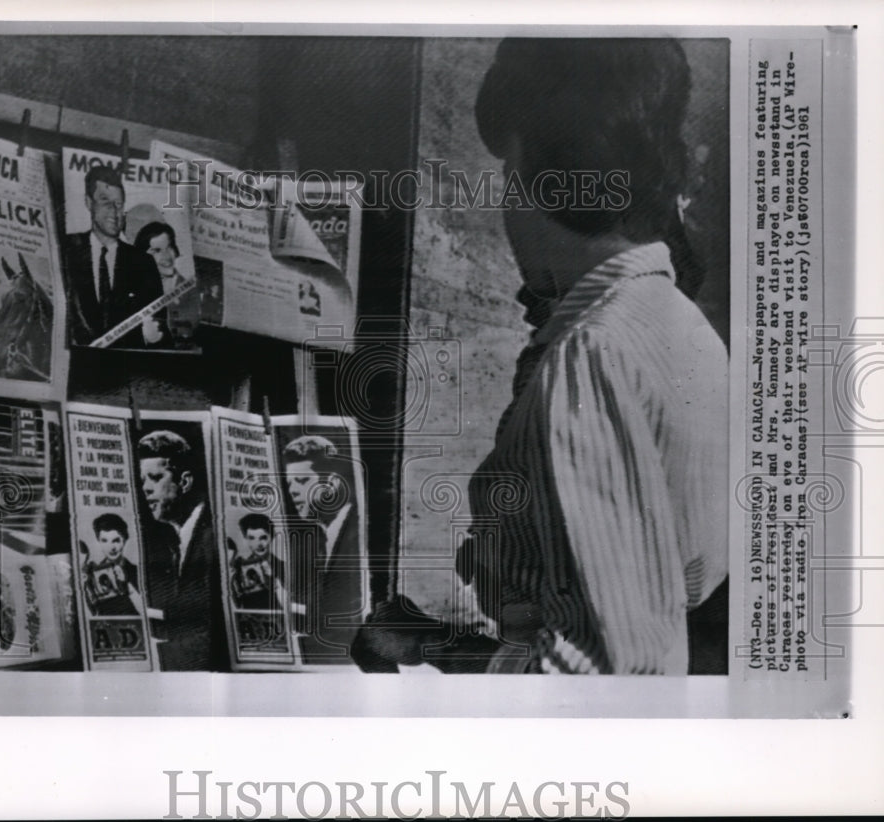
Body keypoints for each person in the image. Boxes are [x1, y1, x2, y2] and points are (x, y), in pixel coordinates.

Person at [357, 38, 729, 675]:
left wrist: (428, 663)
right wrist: (437, 642)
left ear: (541, 178)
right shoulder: (679, 327)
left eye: (507, 174)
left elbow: (598, 679)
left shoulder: (593, 354)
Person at [137, 429, 228, 671]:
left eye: (155, 478)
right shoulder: (180, 538)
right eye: (142, 480)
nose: (145, 489)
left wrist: (158, 656)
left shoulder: (212, 538)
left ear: (185, 482)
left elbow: (211, 633)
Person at [63, 166, 168, 348]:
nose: (114, 211)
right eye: (105, 201)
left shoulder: (143, 263)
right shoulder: (66, 251)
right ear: (89, 202)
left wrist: (152, 336)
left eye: (119, 204)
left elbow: (158, 324)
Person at [281, 434, 364, 659]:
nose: (293, 492)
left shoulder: (359, 533)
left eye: (301, 481)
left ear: (332, 484)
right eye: (289, 484)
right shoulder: (313, 539)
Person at [133, 221, 200, 343]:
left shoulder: (193, 290)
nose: (167, 256)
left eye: (169, 247)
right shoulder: (135, 293)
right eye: (157, 251)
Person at [82, 513, 141, 617]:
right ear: (98, 541)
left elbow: (147, 610)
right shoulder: (93, 573)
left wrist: (126, 585)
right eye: (104, 541)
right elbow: (94, 613)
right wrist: (85, 589)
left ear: (125, 539)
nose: (111, 547)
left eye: (116, 540)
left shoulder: (137, 572)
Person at [230, 513, 283, 611]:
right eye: (251, 538)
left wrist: (275, 577)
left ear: (272, 537)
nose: (258, 544)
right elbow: (238, 606)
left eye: (263, 538)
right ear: (245, 539)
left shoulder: (283, 567)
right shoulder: (239, 568)